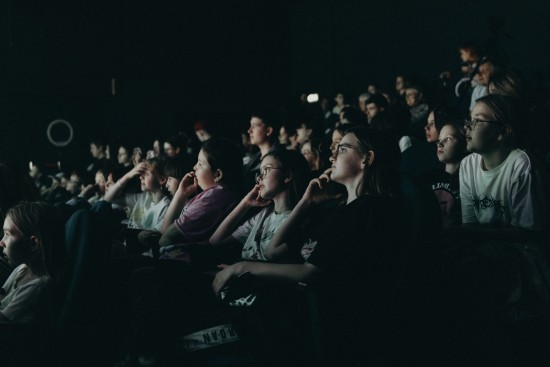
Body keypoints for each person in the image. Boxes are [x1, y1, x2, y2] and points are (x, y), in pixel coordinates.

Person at [212, 126, 404, 365]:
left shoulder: (368, 209)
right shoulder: (337, 211)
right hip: (293, 314)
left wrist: (241, 267)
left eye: (342, 149)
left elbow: (310, 271)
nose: (332, 156)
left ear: (367, 158)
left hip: (318, 322)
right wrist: (306, 201)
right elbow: (273, 251)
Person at [210, 149, 310, 261]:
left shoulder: (297, 220)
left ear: (288, 175)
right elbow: (215, 241)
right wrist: (245, 203)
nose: (259, 177)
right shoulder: (264, 215)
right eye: (260, 172)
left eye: (266, 170)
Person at [158, 138, 242, 258]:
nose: (194, 167)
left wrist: (179, 195)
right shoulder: (221, 194)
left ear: (217, 174)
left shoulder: (213, 198)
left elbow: (166, 237)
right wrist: (181, 194)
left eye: (200, 164)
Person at [0, 201, 64, 324]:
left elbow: (3, 322)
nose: (1, 242)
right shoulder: (22, 269)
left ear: (33, 243)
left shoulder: (37, 287)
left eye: (7, 234)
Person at [104, 157, 171, 233]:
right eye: (141, 173)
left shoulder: (166, 206)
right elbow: (107, 199)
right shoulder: (143, 197)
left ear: (162, 180)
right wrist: (129, 175)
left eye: (146, 174)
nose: (140, 177)